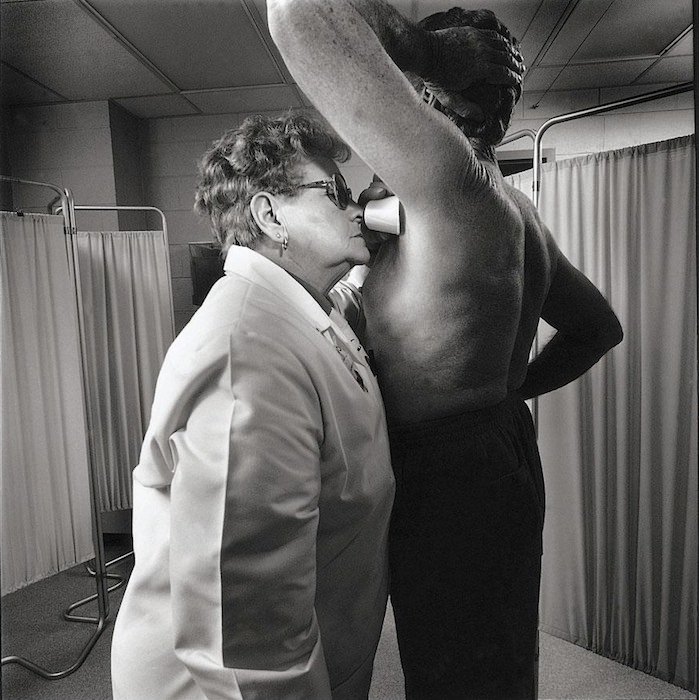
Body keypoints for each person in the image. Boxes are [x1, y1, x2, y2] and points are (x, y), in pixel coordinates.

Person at [268, 3, 624, 698]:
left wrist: (425, 50)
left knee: (452, 670)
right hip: (496, 445)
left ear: (430, 97)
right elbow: (597, 328)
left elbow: (298, 11)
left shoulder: (446, 174)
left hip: (448, 468)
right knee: (496, 657)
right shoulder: (514, 210)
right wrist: (506, 390)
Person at [110, 113, 395, 700]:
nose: (355, 208)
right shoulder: (249, 356)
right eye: (334, 192)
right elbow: (247, 636)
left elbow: (339, 310)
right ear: (269, 216)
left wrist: (371, 255)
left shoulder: (301, 306)